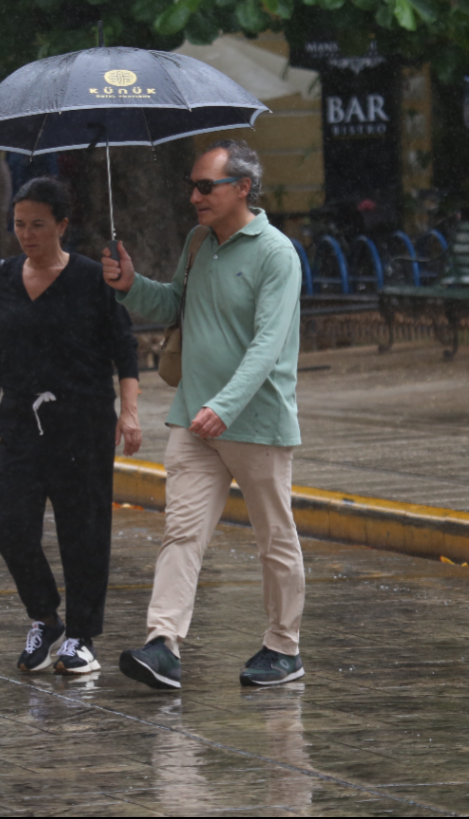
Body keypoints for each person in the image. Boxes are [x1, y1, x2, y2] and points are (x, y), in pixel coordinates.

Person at [101, 140, 306, 690]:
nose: (193, 197)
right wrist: (129, 286)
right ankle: (163, 644)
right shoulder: (197, 243)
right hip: (194, 418)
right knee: (181, 533)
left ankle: (283, 648)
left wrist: (227, 404)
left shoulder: (276, 253)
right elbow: (174, 305)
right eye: (192, 186)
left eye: (204, 186)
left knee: (274, 539)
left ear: (242, 188)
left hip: (255, 421)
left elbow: (269, 345)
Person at [0, 176, 142, 677]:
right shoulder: (0, 278)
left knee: (83, 533)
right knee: (12, 531)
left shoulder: (92, 278)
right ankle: (46, 618)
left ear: (63, 225)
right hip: (19, 425)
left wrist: (129, 412)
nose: (27, 234)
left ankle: (82, 636)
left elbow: (124, 351)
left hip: (82, 426)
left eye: (38, 225)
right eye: (20, 225)